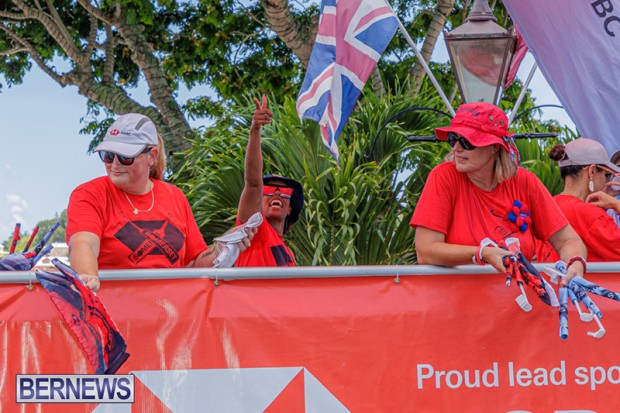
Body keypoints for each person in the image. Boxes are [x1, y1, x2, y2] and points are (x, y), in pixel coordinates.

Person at [66, 113, 254, 291]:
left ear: (152, 156)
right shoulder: (89, 194)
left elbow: (194, 264)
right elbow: (83, 244)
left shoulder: (175, 196)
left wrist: (222, 246)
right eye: (108, 155)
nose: (114, 164)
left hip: (170, 309)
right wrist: (87, 278)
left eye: (125, 157)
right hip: (114, 308)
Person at [410, 102, 587, 285]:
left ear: (494, 147)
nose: (456, 148)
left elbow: (567, 240)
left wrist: (575, 262)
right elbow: (425, 251)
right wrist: (482, 253)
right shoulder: (444, 176)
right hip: (457, 299)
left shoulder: (525, 181)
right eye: (453, 138)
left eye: (466, 141)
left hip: (519, 299)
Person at [234, 95, 304, 267]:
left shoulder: (289, 255)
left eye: (285, 191)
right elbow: (253, 183)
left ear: (290, 208)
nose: (277, 193)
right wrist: (255, 130)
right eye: (269, 190)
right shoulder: (253, 229)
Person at [536, 138, 620, 262]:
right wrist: (616, 205)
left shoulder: (546, 207)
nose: (606, 180)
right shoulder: (592, 215)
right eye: (606, 174)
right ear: (592, 171)